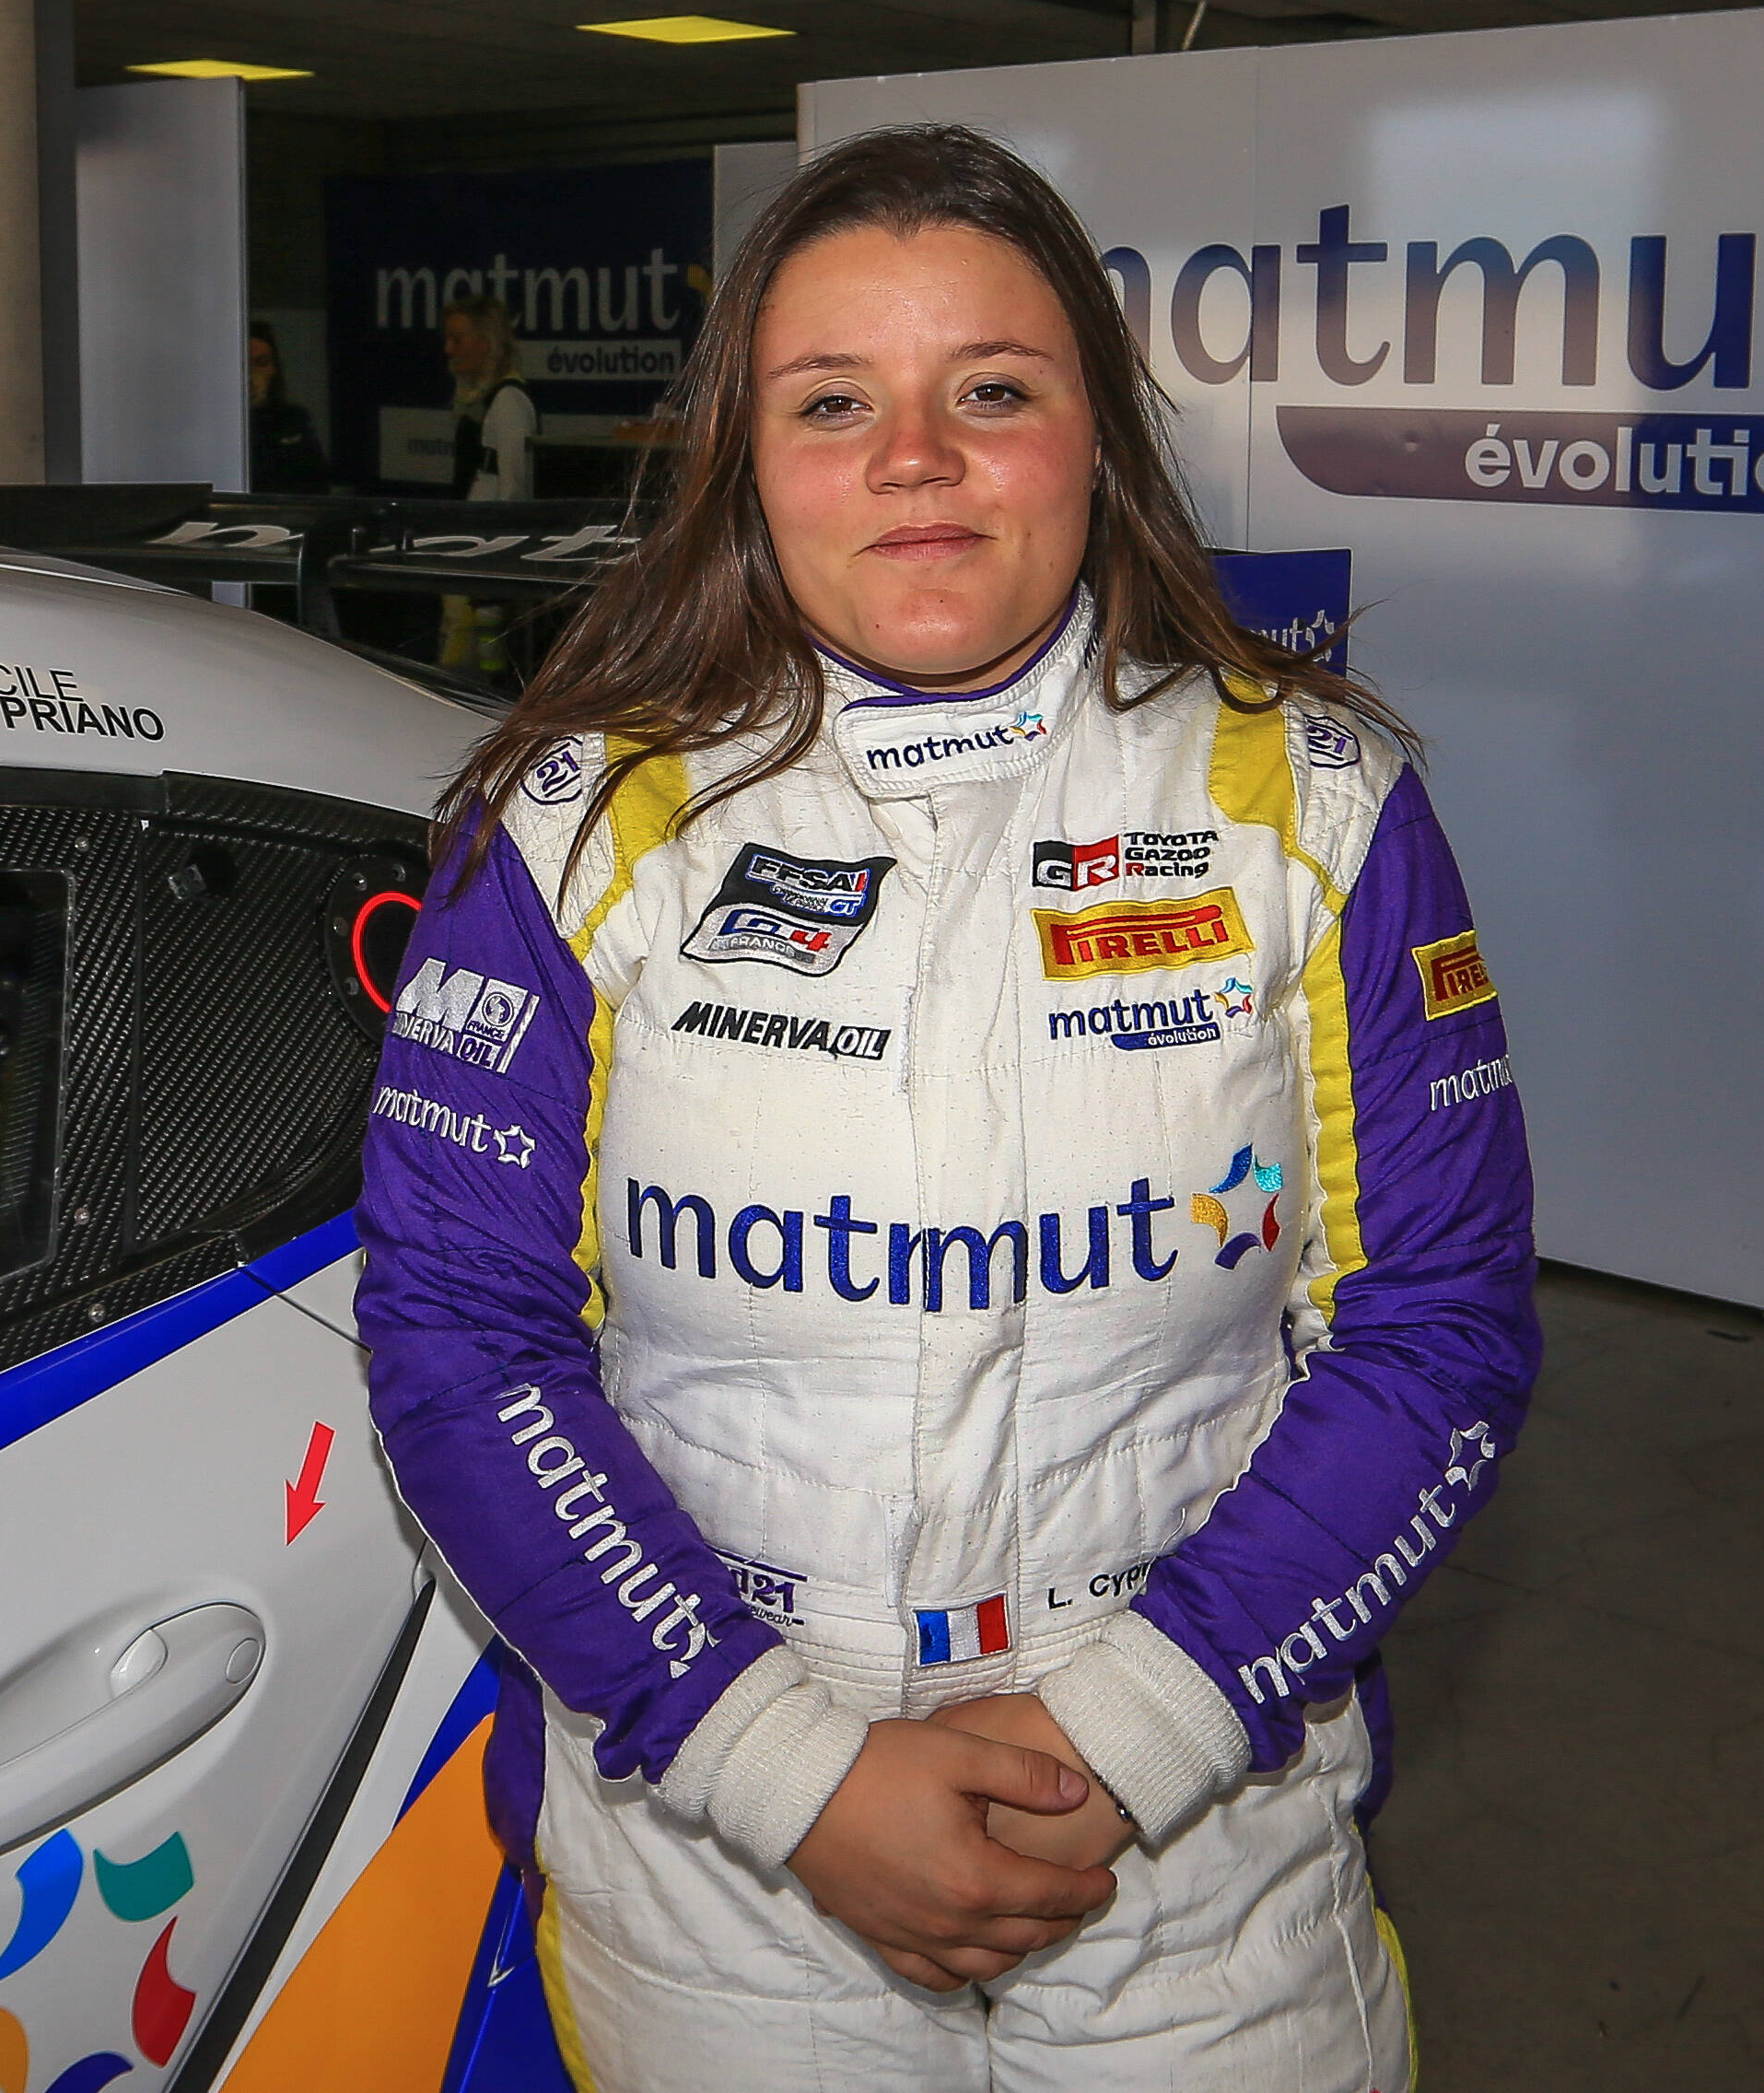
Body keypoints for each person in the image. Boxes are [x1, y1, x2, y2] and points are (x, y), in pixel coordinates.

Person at [354, 125, 1535, 2088]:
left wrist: (1136, 1731)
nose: (918, 457)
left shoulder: (1314, 802)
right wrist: (783, 1768)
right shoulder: (572, 819)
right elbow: (461, 1344)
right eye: (835, 402)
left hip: (1198, 1870)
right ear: (746, 456)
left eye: (990, 389)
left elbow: (1441, 1331)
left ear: (1098, 435)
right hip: (720, 1866)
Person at [445, 292, 540, 502]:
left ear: (487, 343)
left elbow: (514, 493)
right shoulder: (478, 401)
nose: (448, 349)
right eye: (447, 339)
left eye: (457, 340)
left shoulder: (508, 400)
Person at [247, 318, 333, 493]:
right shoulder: (214, 427)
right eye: (243, 365)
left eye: (261, 363)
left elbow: (317, 486)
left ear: (273, 369)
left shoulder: (294, 419)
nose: (251, 374)